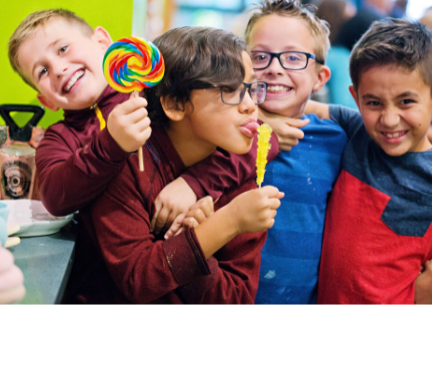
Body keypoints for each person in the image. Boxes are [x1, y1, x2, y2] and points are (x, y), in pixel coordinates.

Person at [67, 28, 283, 304]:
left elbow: (236, 300)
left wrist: (199, 239)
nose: (251, 106)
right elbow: (137, 278)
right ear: (175, 104)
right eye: (230, 90)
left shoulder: (239, 174)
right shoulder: (125, 164)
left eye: (251, 88)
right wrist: (227, 222)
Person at [7, 8, 273, 229]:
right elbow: (55, 198)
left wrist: (195, 182)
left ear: (102, 43)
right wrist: (110, 144)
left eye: (63, 49)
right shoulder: (58, 138)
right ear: (46, 101)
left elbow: (264, 140)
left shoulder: (154, 95)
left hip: (188, 240)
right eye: (42, 71)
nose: (58, 68)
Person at [314, 18, 432, 304]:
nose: (389, 119)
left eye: (406, 101)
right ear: (356, 99)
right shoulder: (355, 129)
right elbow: (294, 108)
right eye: (374, 103)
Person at [245, 0, 345, 303]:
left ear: (320, 77)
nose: (274, 68)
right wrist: (258, 120)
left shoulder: (337, 140)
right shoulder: (222, 130)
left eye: (293, 58)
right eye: (260, 57)